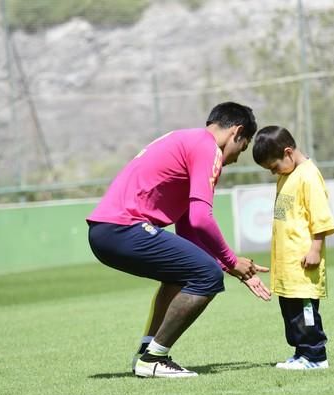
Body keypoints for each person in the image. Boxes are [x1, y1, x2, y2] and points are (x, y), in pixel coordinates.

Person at [87, 102, 271, 378]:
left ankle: (147, 352)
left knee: (183, 273)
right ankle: (155, 359)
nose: (235, 158)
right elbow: (201, 218)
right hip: (123, 228)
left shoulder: (187, 139)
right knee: (207, 275)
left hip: (106, 230)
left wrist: (227, 265)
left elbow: (186, 229)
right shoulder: (209, 149)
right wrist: (231, 262)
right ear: (237, 131)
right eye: (242, 148)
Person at [252, 125, 334, 370]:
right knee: (291, 312)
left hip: (303, 261)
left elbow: (320, 217)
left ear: (288, 152)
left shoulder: (309, 176)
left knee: (305, 310)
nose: (273, 172)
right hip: (287, 265)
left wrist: (315, 250)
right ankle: (301, 353)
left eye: (274, 166)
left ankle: (315, 356)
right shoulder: (286, 176)